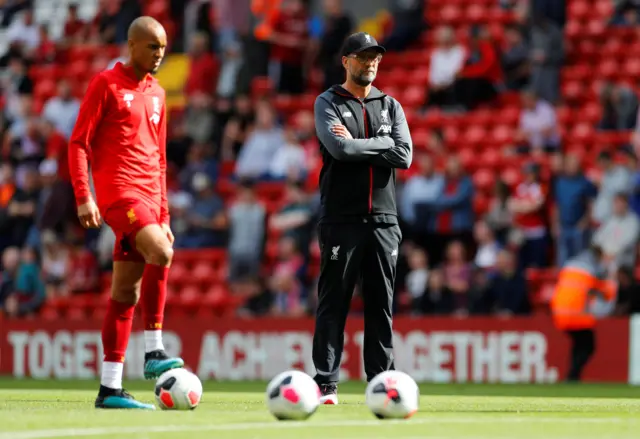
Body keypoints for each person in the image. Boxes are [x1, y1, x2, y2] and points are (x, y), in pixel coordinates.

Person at [68, 17, 184, 410]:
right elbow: (79, 143)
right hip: (120, 195)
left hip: (151, 199)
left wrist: (164, 215)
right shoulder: (105, 83)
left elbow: (161, 159)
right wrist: (85, 196)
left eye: (163, 48)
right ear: (132, 45)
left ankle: (110, 389)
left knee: (124, 293)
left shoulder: (158, 94)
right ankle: (154, 351)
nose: (159, 54)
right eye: (152, 47)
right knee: (162, 254)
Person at [312, 32, 413, 404]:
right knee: (334, 301)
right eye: (363, 56)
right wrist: (382, 145)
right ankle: (325, 383)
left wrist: (362, 147)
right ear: (346, 61)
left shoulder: (391, 106)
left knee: (381, 304)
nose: (370, 62)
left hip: (385, 219)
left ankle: (381, 382)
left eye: (375, 57)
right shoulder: (328, 102)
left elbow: (405, 156)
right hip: (342, 217)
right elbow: (339, 149)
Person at [550, 245, 617, 382]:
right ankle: (573, 375)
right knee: (588, 345)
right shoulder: (592, 269)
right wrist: (611, 278)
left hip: (559, 313)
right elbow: (604, 292)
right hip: (577, 314)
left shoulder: (569, 265)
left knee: (578, 343)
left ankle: (573, 376)